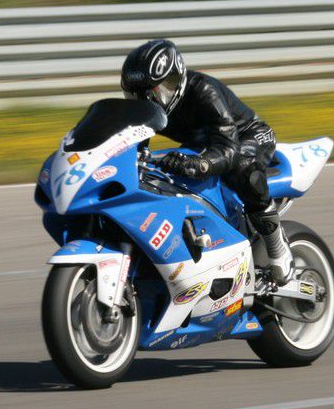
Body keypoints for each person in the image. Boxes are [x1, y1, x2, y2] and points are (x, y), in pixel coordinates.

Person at [120, 39, 294, 285]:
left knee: (242, 168)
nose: (150, 101)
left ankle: (278, 249)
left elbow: (228, 149)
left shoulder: (204, 92)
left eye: (158, 90)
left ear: (176, 77)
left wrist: (198, 165)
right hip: (203, 145)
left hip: (246, 136)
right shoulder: (148, 108)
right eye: (138, 96)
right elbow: (133, 143)